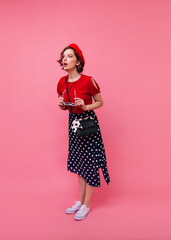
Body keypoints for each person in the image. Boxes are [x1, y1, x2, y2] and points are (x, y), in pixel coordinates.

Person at [56, 43, 111, 221]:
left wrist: (86, 106)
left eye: (70, 56)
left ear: (78, 61)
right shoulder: (61, 82)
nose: (65, 59)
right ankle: (80, 201)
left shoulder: (88, 80)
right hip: (73, 125)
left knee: (90, 164)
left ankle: (86, 205)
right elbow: (65, 107)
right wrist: (63, 106)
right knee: (80, 164)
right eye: (64, 56)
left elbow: (100, 102)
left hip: (88, 125)